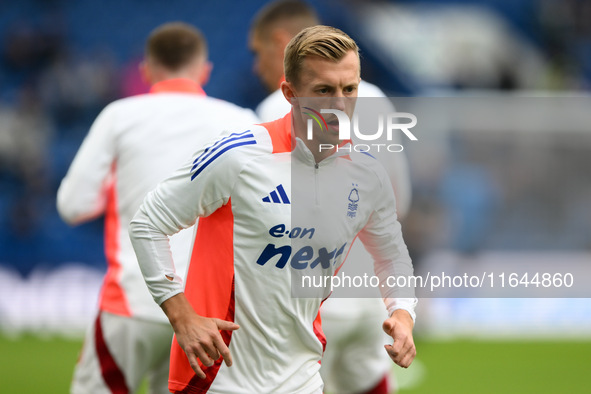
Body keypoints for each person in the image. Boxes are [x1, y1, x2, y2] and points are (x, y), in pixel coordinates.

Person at [129, 25, 417, 394]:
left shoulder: (367, 174)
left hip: (302, 379)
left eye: (350, 89)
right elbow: (148, 223)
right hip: (217, 376)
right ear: (289, 94)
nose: (340, 105)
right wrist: (181, 316)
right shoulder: (239, 156)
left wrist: (403, 314)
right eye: (324, 90)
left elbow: (392, 255)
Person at [57, 22, 258, 394]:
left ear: (146, 70)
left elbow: (73, 205)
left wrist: (121, 189)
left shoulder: (119, 116)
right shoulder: (241, 121)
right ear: (204, 71)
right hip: (206, 310)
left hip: (131, 300)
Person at [249, 2, 413, 393]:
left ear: (279, 44)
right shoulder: (376, 100)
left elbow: (263, 214)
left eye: (257, 54)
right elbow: (398, 201)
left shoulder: (278, 107)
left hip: (310, 300)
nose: (256, 67)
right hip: (368, 299)